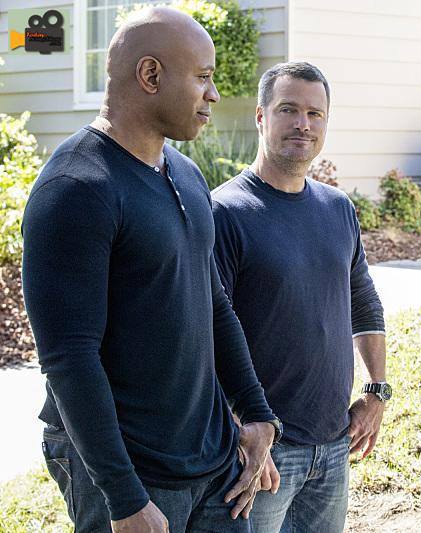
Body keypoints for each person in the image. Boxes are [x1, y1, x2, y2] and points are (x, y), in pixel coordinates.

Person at [21, 7, 281, 532]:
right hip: (130, 471)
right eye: (203, 77)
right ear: (150, 75)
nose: (213, 94)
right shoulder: (75, 189)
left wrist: (255, 413)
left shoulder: (185, 172)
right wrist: (123, 498)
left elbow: (212, 301)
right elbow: (69, 358)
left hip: (213, 458)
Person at [210, 61, 387, 533]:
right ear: (261, 116)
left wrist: (376, 390)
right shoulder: (225, 212)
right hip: (263, 450)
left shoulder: (337, 208)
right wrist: (243, 429)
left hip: (334, 443)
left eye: (315, 113)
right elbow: (207, 332)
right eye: (288, 109)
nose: (303, 124)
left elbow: (363, 300)